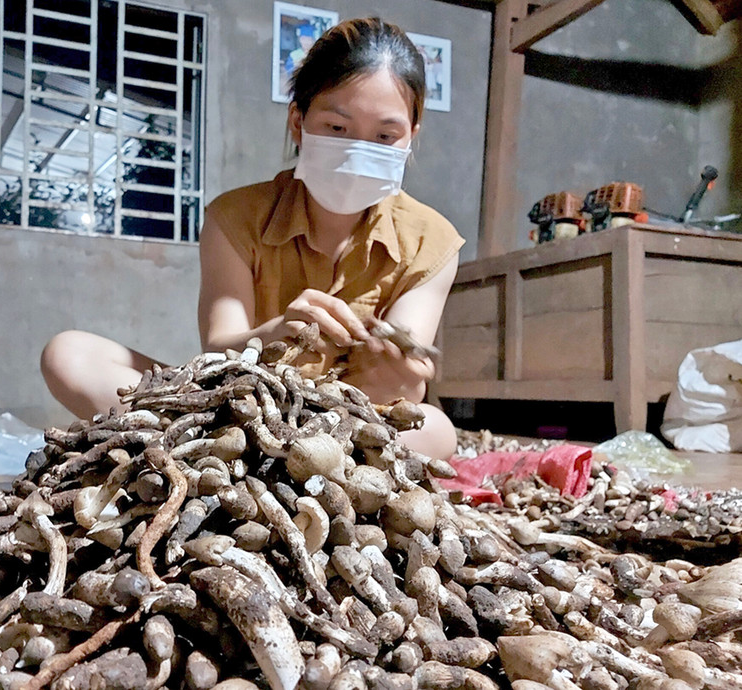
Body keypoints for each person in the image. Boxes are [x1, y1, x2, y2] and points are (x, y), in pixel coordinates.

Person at [41, 17, 465, 461]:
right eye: (338, 129)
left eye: (384, 136)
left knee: (437, 432)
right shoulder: (234, 219)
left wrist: (399, 378)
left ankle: (254, 459)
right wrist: (274, 333)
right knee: (68, 354)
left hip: (348, 424)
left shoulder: (431, 243)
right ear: (298, 122)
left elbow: (398, 387)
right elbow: (219, 348)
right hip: (236, 409)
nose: (359, 150)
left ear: (411, 137)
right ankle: (269, 457)